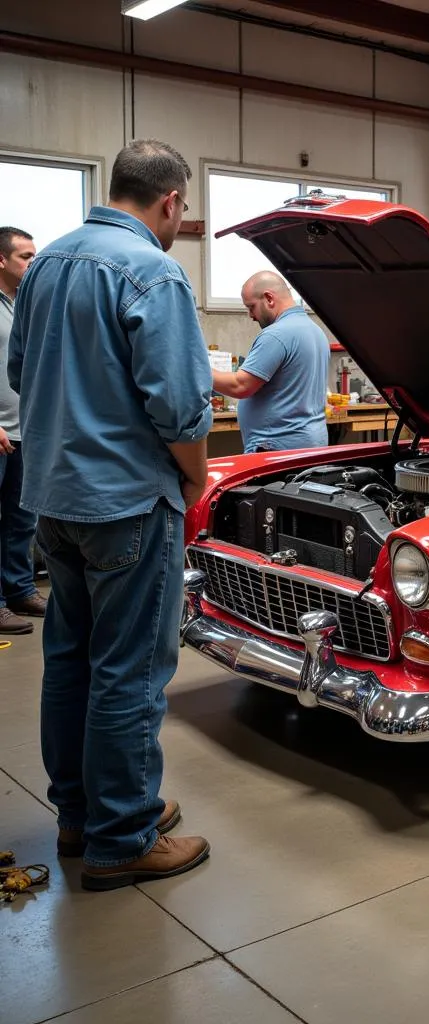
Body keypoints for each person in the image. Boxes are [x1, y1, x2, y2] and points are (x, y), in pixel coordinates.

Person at [8, 139, 213, 889]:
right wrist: (192, 483)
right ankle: (122, 836)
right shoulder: (154, 272)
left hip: (53, 501)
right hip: (127, 501)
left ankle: (80, 814)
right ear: (170, 202)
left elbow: (20, 373)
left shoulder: (48, 265)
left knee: (69, 660)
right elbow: (182, 407)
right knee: (128, 671)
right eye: (183, 211)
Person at [211, 271, 330, 453]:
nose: (251, 315)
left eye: (251, 307)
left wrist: (194, 370)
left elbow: (240, 386)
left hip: (277, 447)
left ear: (269, 298)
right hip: (309, 443)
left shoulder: (277, 334)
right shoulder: (315, 331)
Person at [0, 226, 45, 636]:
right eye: (25, 256)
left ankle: (19, 590)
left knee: (21, 520)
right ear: (2, 260)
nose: (33, 263)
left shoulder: (22, 304)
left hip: (23, 432)